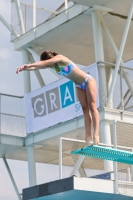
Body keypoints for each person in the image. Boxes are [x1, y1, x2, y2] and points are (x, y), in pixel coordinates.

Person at [16, 50, 99, 145]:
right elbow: (40, 66)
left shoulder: (61, 58)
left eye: (49, 63)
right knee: (85, 109)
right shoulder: (53, 65)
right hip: (78, 85)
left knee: (92, 106)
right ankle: (88, 136)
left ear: (51, 58)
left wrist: (28, 64)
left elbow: (45, 63)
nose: (50, 66)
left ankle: (96, 134)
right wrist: (25, 68)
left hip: (88, 81)